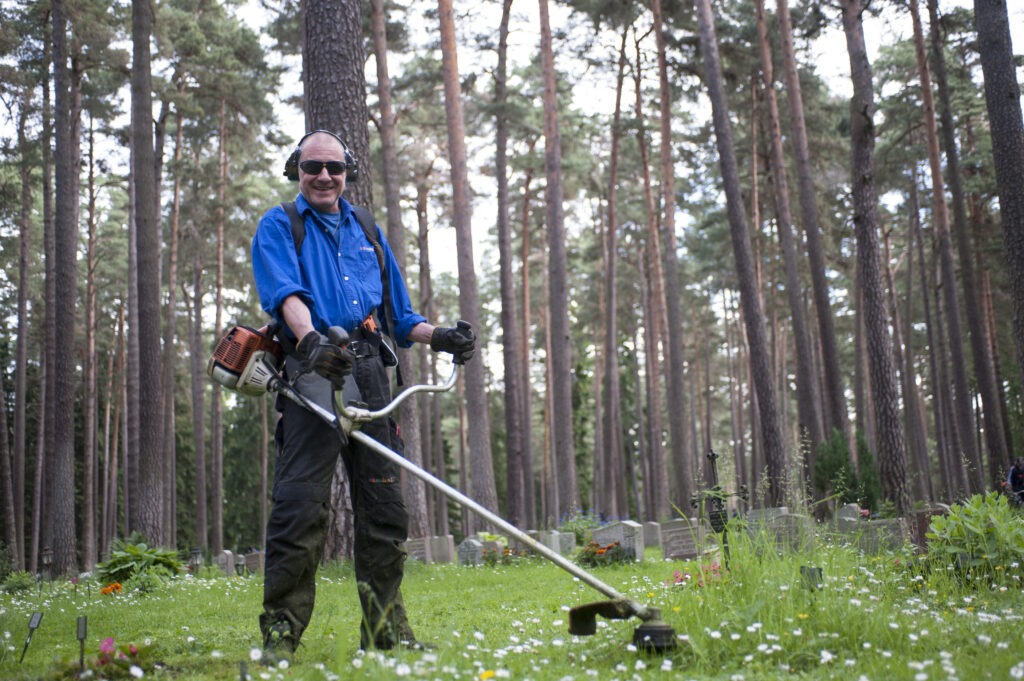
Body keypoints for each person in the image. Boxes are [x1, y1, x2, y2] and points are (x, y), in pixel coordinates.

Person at [251, 129, 475, 657]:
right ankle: (281, 632)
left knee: (384, 508)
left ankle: (385, 632)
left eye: (334, 167)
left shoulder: (367, 230)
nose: (324, 176)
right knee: (300, 507)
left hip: (371, 372)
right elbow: (288, 296)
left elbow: (400, 316)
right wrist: (308, 344)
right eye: (312, 168)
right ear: (296, 172)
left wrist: (440, 336)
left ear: (346, 171)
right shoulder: (280, 225)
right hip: (315, 372)